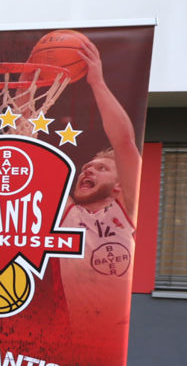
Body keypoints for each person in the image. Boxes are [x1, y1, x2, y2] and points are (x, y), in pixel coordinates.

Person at [56, 37, 141, 335]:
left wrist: (97, 82)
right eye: (86, 167)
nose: (88, 169)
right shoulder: (66, 214)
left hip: (115, 337)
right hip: (76, 339)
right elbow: (26, 152)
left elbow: (125, 142)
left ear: (120, 186)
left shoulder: (126, 209)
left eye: (101, 167)